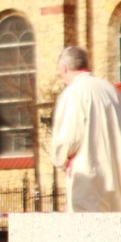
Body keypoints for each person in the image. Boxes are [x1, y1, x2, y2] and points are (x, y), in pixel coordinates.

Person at [51, 46, 121, 212]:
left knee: (86, 230)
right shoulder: (110, 90)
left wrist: (59, 158)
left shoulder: (74, 92)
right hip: (115, 173)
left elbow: (69, 138)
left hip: (88, 175)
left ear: (64, 67)